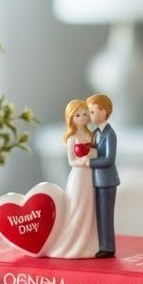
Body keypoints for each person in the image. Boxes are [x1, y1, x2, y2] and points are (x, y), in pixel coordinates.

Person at [43, 99, 98, 259]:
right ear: (71, 118)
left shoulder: (91, 134)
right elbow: (71, 161)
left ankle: (90, 242)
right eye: (78, 115)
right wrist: (84, 161)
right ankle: (74, 242)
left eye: (85, 114)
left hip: (91, 174)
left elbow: (96, 152)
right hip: (80, 175)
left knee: (90, 207)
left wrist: (92, 156)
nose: (82, 117)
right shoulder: (72, 137)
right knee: (78, 206)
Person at [87, 92, 119, 258]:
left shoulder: (109, 134)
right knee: (98, 215)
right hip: (97, 180)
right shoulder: (95, 133)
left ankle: (108, 247)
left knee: (105, 215)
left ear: (104, 111)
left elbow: (109, 159)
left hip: (107, 181)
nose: (90, 115)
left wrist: (89, 163)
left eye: (92, 111)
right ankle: (100, 244)